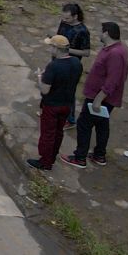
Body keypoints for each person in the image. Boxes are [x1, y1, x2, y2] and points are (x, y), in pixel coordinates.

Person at [62, 22, 128, 169]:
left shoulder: (115, 54)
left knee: (84, 125)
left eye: (101, 32)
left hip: (100, 98)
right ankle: (99, 155)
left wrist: (99, 99)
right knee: (101, 124)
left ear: (106, 33)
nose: (99, 34)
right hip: (102, 97)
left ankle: (80, 157)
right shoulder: (115, 49)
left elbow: (113, 80)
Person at [28, 34, 82, 172]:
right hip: (67, 104)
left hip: (52, 105)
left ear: (56, 49)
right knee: (59, 132)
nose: (49, 49)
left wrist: (40, 77)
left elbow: (45, 90)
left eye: (51, 46)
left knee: (48, 134)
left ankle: (45, 162)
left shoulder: (54, 66)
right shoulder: (76, 63)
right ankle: (52, 156)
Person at [57, 3, 91, 128]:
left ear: (75, 16)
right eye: (63, 18)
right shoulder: (63, 23)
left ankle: (70, 119)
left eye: (67, 18)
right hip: (58, 60)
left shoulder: (82, 31)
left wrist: (66, 49)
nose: (64, 20)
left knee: (68, 93)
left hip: (71, 65)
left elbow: (86, 52)